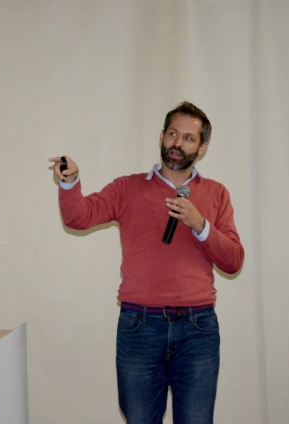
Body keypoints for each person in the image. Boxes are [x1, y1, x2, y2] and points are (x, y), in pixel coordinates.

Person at [49, 101, 244, 424]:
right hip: (139, 327)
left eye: (189, 138)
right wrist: (70, 182)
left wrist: (200, 225)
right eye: (173, 134)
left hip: (197, 329)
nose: (178, 143)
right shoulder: (128, 187)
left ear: (202, 147)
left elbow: (234, 261)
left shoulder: (216, 193)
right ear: (161, 136)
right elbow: (78, 217)